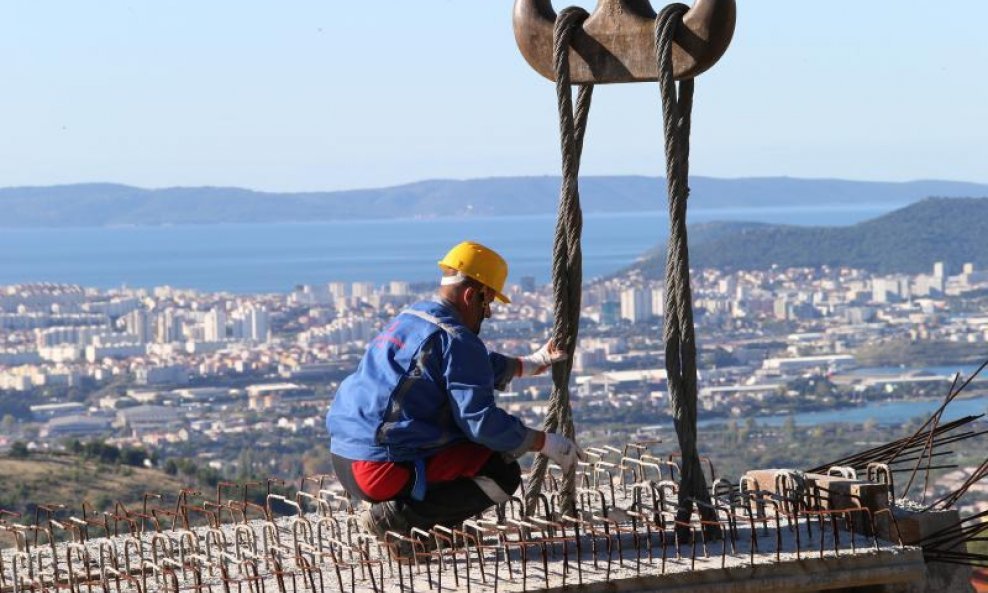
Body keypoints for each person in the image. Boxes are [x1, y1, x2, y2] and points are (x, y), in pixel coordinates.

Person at [326, 240, 583, 540]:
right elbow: (481, 423)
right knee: (500, 469)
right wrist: (543, 442)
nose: (487, 314)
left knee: (460, 442)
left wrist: (527, 364)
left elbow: (462, 367)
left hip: (345, 460)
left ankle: (413, 525)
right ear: (471, 295)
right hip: (379, 470)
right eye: (487, 304)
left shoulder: (412, 318)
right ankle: (398, 521)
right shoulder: (457, 338)